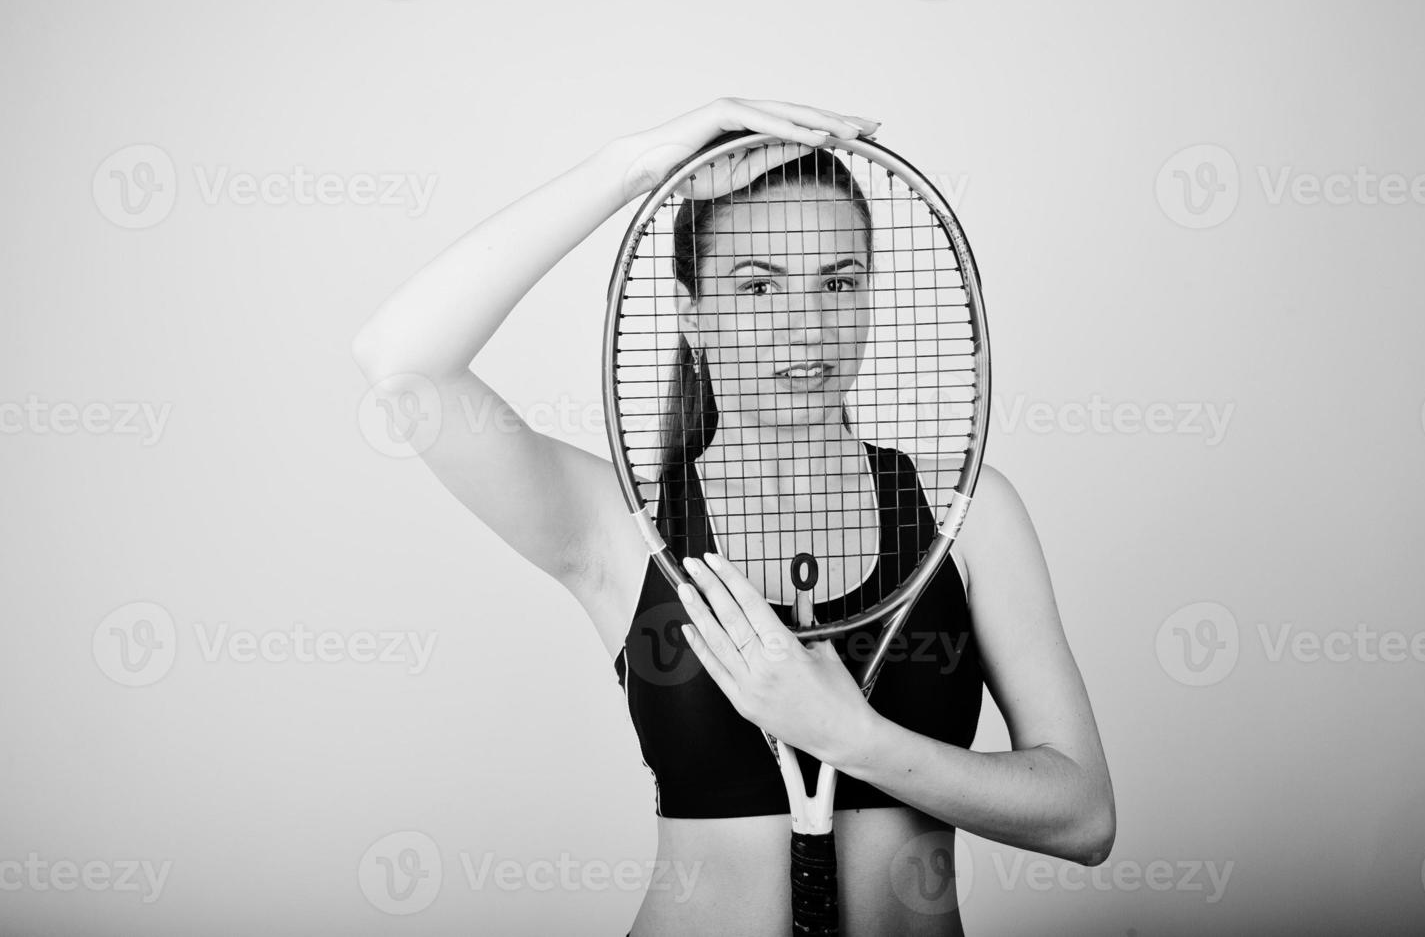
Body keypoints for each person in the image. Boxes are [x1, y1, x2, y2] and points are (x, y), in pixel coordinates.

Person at [352, 97, 1115, 936]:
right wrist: (634, 165)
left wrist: (849, 737)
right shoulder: (625, 524)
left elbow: (1082, 820)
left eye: (839, 282)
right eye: (757, 286)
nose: (807, 323)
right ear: (692, 316)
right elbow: (401, 361)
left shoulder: (966, 513)